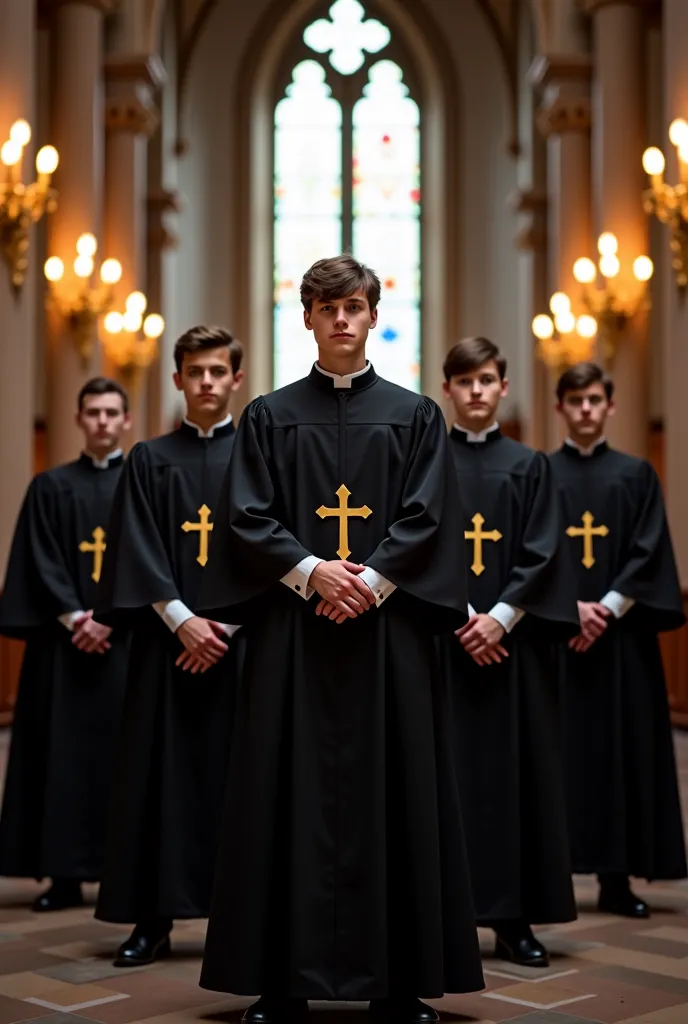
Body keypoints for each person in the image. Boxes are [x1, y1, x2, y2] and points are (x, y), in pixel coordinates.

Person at [197, 255, 484, 1024]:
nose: (343, 321)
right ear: (308, 319)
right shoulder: (267, 416)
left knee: (398, 793)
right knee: (278, 796)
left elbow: (429, 515)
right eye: (328, 309)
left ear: (373, 313)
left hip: (387, 641)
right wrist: (313, 573)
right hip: (295, 638)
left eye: (355, 307)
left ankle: (399, 983)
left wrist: (372, 582)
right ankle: (279, 981)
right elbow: (248, 516)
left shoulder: (417, 415)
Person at [93, 325, 244, 966]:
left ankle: (245, 924)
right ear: (177, 379)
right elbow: (136, 547)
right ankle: (151, 923)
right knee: (158, 781)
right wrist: (182, 620)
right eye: (195, 371)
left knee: (245, 784)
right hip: (166, 646)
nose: (206, 382)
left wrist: (228, 626)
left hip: (244, 649)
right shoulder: (148, 460)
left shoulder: (262, 455)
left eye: (218, 371)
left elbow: (277, 547)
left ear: (237, 378)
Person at [437, 338, 578, 968]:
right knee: (442, 781)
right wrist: (460, 614)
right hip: (441, 648)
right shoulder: (426, 461)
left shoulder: (530, 465)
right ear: (447, 389)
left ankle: (513, 920)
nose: (475, 391)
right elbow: (411, 540)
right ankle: (438, 915)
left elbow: (544, 550)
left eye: (486, 380)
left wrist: (499, 617)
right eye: (464, 381)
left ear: (502, 387)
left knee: (514, 780)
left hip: (510, 653)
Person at [550, 361, 687, 917]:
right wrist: (568, 609)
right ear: (560, 406)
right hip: (557, 639)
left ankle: (616, 879)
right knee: (558, 757)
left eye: (594, 399)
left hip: (621, 642)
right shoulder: (538, 473)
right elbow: (532, 551)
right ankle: (553, 875)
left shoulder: (637, 475)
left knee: (622, 754)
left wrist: (603, 609)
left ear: (610, 405)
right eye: (575, 399)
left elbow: (649, 549)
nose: (585, 408)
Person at [0, 378, 131, 912]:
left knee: (125, 760)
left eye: (110, 412)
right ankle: (63, 875)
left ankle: (122, 869)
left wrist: (109, 617)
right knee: (60, 758)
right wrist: (77, 616)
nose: (101, 421)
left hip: (125, 643)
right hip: (63, 647)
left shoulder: (144, 482)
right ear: (79, 419)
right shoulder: (50, 487)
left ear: (125, 420)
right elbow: (40, 558)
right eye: (92, 412)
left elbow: (149, 555)